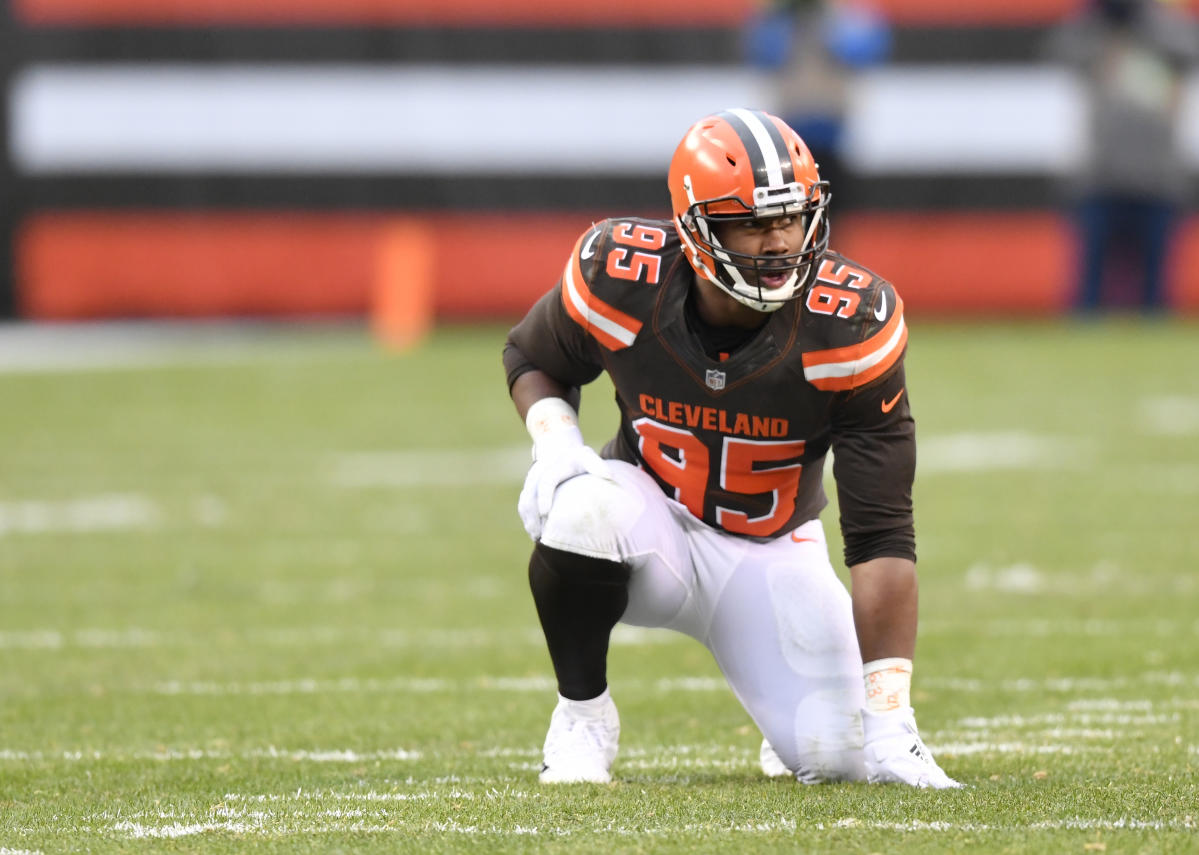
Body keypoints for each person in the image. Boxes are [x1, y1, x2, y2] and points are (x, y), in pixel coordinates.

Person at [502, 108, 960, 789]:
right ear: (693, 228)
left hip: (771, 547)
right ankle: (582, 715)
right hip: (646, 527)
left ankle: (797, 726)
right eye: (751, 221)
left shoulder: (849, 323)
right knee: (581, 504)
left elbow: (882, 536)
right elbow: (532, 353)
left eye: (792, 216)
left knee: (842, 759)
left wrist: (890, 717)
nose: (779, 241)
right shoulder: (622, 273)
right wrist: (557, 442)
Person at [1047, 0, 1198, 312]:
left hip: (1157, 179)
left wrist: (1144, 19)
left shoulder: (1164, 25)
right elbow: (1061, 50)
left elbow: (1189, 49)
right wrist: (1099, 18)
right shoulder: (1094, 29)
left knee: (1154, 291)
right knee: (1088, 290)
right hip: (1101, 178)